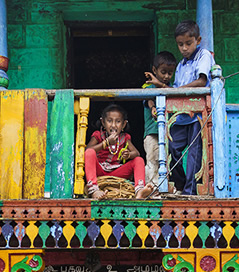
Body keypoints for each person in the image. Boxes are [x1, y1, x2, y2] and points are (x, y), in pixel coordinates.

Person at [145, 20, 213, 195]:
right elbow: (174, 91)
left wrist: (170, 89)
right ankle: (181, 184)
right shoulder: (181, 65)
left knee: (194, 154)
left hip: (197, 115)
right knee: (172, 148)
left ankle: (190, 191)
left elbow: (201, 81)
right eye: (180, 44)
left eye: (188, 43)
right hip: (181, 117)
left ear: (198, 40)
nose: (184, 48)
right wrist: (165, 88)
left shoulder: (203, 55)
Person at [84, 104, 154, 200]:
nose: (113, 125)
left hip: (117, 171)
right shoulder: (98, 135)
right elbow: (88, 149)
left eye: (118, 121)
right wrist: (106, 143)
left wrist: (128, 155)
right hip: (100, 170)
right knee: (89, 153)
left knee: (138, 160)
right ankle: (94, 189)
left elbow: (136, 153)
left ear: (124, 124)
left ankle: (139, 190)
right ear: (103, 122)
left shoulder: (124, 138)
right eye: (109, 121)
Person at [142, 51, 177, 187]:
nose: (166, 76)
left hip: (167, 134)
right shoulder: (148, 86)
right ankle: (152, 187)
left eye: (170, 73)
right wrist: (152, 108)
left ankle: (163, 187)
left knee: (166, 161)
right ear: (154, 70)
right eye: (163, 72)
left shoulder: (170, 88)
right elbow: (149, 98)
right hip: (152, 132)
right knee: (152, 159)